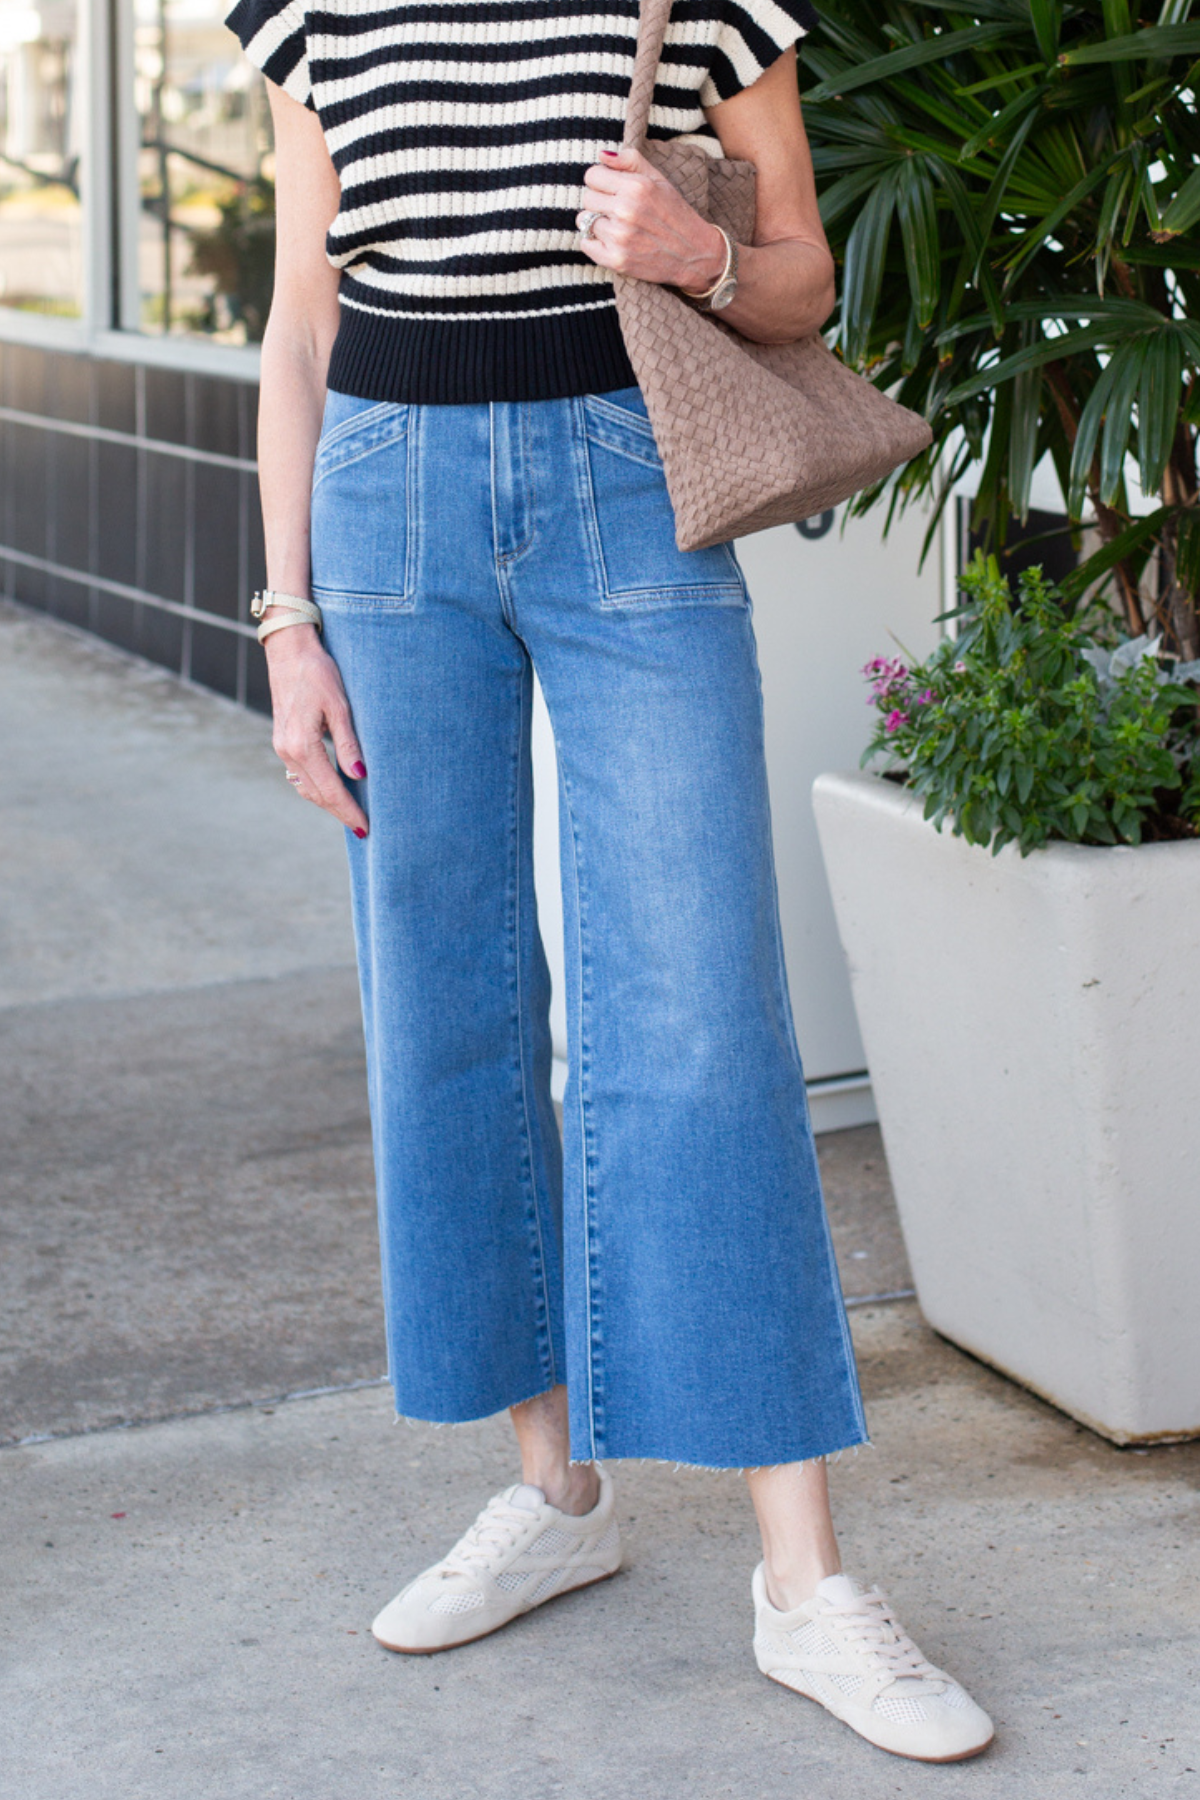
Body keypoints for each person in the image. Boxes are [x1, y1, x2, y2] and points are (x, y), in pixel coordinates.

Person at [227, 0, 993, 1762]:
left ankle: (802, 1586)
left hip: (625, 482)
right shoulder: (314, 11)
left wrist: (700, 251)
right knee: (447, 1007)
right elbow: (300, 316)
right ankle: (556, 1493)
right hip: (383, 509)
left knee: (704, 1012)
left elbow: (803, 281)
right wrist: (284, 620)